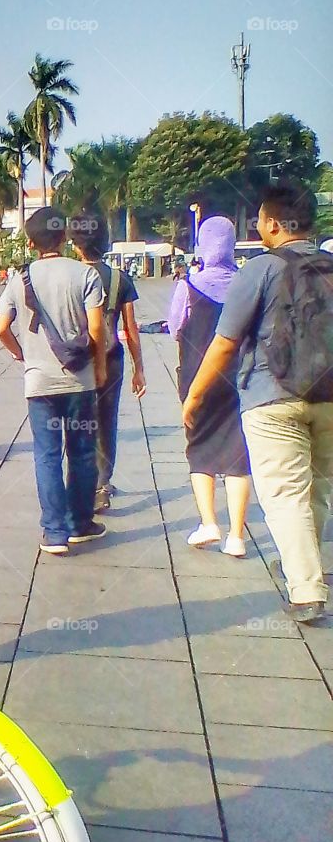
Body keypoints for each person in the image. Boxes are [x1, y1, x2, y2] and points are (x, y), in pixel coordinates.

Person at [183, 183, 333, 622]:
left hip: (272, 398)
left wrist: (194, 395)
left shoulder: (261, 269)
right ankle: (305, 566)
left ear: (271, 223)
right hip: (329, 396)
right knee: (316, 487)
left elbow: (226, 343)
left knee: (286, 493)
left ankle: (306, 590)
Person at [0, 206, 108, 555]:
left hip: (39, 383)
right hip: (79, 382)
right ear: (65, 237)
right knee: (82, 453)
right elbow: (96, 329)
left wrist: (23, 355)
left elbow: (0, 328)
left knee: (46, 456)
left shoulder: (20, 279)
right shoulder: (85, 275)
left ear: (31, 243)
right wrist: (100, 367)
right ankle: (81, 524)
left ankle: (54, 532)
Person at [169, 217, 251, 557]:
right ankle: (236, 536)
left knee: (199, 446)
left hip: (195, 378)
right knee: (237, 452)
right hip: (240, 378)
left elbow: (174, 328)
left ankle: (209, 523)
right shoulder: (246, 284)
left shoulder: (188, 286)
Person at [69, 214, 147, 512]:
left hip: (78, 360)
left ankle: (81, 482)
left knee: (79, 421)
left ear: (75, 244)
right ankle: (103, 484)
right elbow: (130, 327)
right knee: (106, 421)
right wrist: (139, 368)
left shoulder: (73, 276)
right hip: (112, 358)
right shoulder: (119, 278)